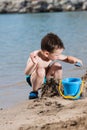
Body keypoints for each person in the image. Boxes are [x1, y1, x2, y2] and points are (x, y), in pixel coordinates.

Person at [25, 33, 82, 99]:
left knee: (57, 66)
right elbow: (27, 72)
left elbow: (67, 58)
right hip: (34, 79)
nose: (59, 56)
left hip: (46, 77)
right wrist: (34, 63)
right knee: (40, 70)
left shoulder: (52, 54)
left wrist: (76, 61)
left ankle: (56, 87)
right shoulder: (35, 56)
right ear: (46, 53)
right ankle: (34, 92)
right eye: (57, 55)